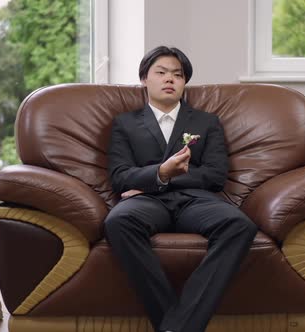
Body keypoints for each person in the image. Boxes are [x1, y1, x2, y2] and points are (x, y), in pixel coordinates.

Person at [105, 46, 258, 332]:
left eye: (177, 74)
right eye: (160, 73)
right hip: (146, 202)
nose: (170, 79)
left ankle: (176, 327)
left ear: (184, 82)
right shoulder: (124, 124)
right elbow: (120, 177)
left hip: (194, 201)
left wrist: (162, 177)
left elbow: (215, 176)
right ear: (144, 79)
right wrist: (158, 175)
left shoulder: (206, 122)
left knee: (239, 225)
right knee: (118, 221)